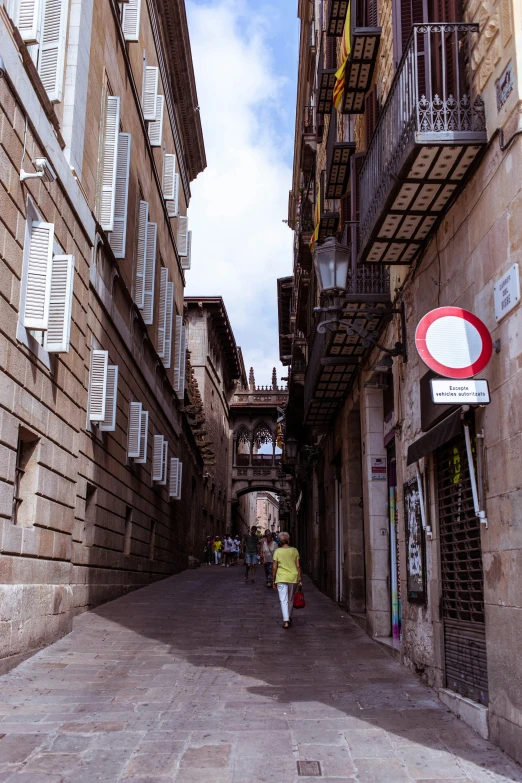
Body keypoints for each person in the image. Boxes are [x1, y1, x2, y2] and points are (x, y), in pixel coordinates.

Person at [272, 532, 302, 628]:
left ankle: (286, 621)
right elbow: (298, 566)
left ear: (280, 542)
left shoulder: (277, 551)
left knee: (283, 600)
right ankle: (288, 616)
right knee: (290, 599)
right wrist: (300, 579)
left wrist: (273, 580)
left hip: (281, 577)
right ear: (288, 540)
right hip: (293, 577)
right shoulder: (295, 550)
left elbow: (274, 567)